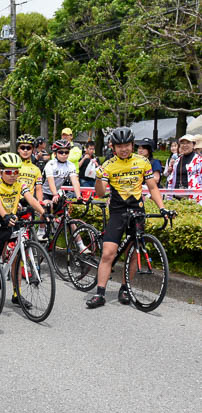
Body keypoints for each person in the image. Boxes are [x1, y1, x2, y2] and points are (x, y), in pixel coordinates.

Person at [86, 127, 173, 308]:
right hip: (118, 212)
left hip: (137, 210)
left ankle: (125, 288)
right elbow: (100, 192)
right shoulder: (109, 165)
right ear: (114, 148)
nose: (124, 149)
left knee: (134, 253)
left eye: (127, 145)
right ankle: (100, 293)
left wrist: (162, 208)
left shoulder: (143, 162)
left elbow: (153, 188)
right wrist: (98, 178)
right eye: (120, 146)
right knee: (108, 253)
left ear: (132, 145)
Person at [0, 153, 47, 309]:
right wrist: (5, 215)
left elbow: (30, 198)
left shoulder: (20, 184)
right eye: (8, 172)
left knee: (17, 262)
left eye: (16, 171)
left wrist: (43, 212)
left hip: (13, 223)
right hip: (0, 224)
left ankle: (17, 294)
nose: (13, 175)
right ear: (0, 172)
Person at [166, 134, 202, 204]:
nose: (185, 145)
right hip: (176, 197)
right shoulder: (177, 161)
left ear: (193, 145)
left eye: (188, 143)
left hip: (194, 198)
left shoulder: (199, 160)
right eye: (182, 143)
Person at [17, 134, 43, 202]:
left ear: (33, 150)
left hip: (29, 202)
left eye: (28, 148)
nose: (25, 150)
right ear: (18, 149)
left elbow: (38, 189)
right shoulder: (12, 166)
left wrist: (40, 201)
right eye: (22, 148)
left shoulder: (36, 169)